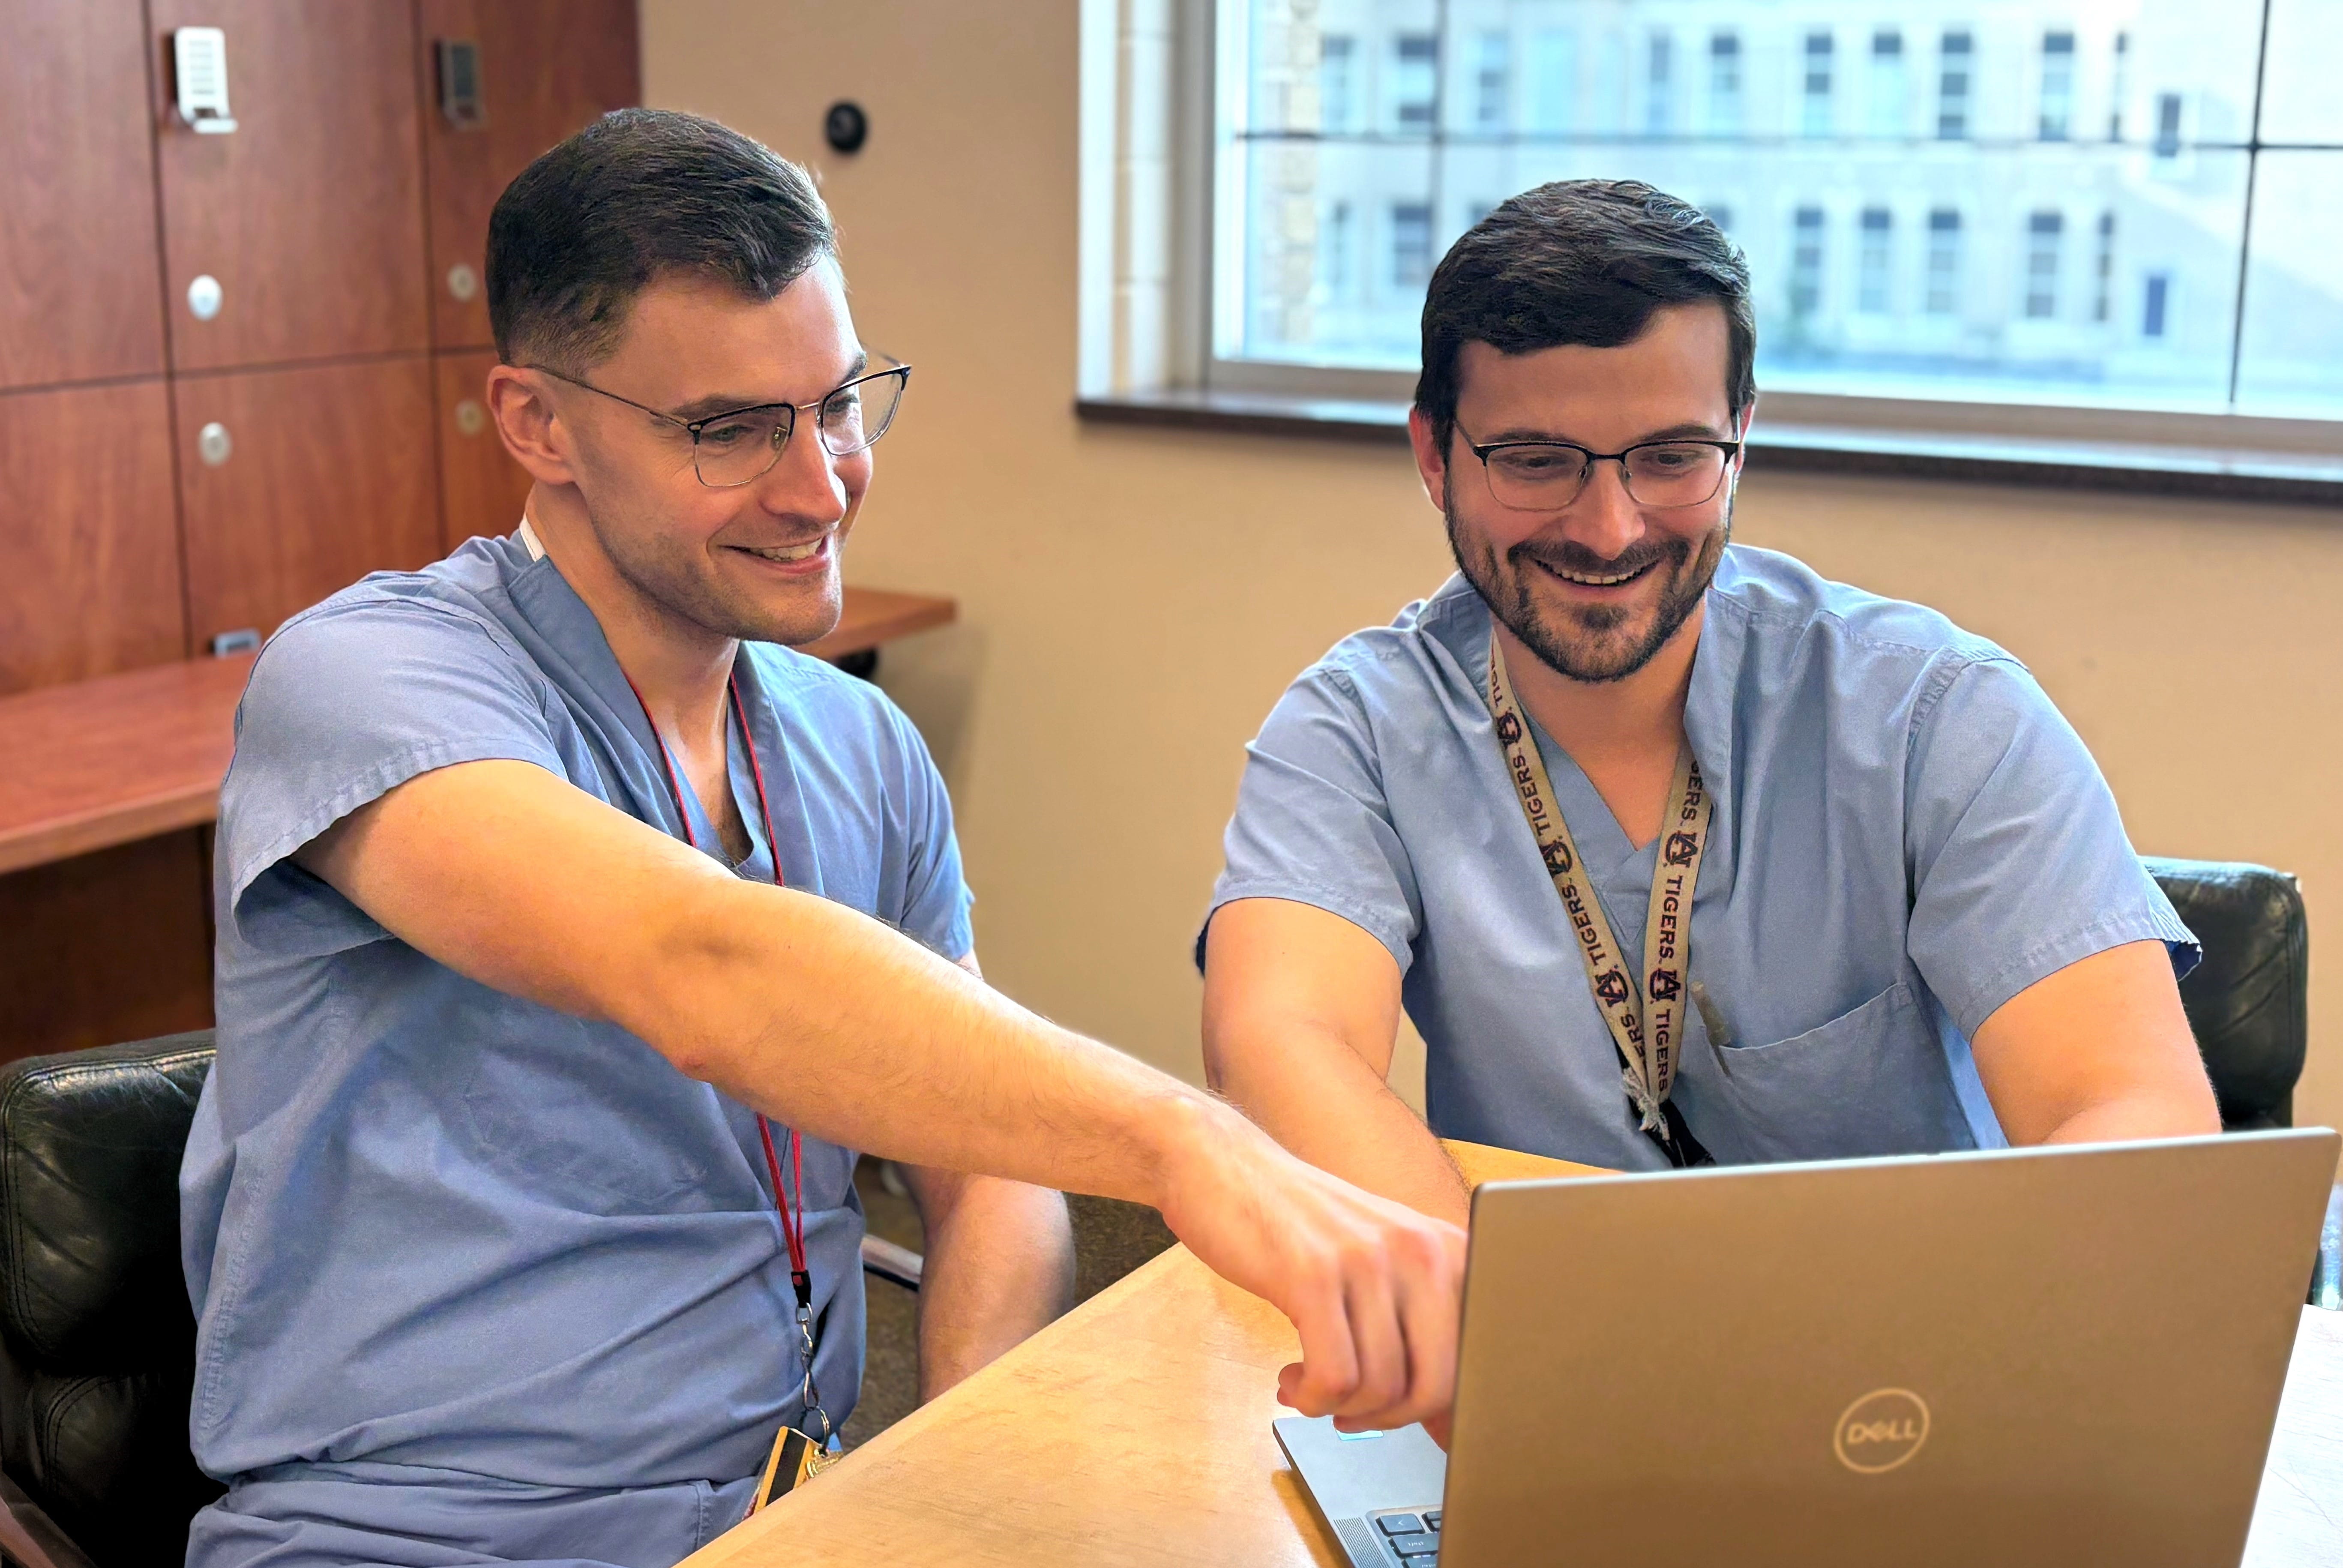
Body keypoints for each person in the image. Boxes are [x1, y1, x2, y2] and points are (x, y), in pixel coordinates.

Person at [182, 110, 1462, 1568]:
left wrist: (955, 1479)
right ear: (536, 425)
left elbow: (987, 1170)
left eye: (837, 404)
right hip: (426, 1538)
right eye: (728, 430)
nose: (820, 485)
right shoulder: (366, 681)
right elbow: (700, 963)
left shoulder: (860, 745)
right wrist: (1186, 1143)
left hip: (798, 1522)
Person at [1200, 180, 2221, 1223]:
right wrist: (1484, 1294)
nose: (1607, 529)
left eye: (1671, 459)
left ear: (1738, 440)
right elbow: (1280, 1048)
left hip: (1906, 1321)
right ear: (1433, 456)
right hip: (1511, 1303)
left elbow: (2130, 1114)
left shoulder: (1940, 718)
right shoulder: (1357, 732)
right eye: (1535, 462)